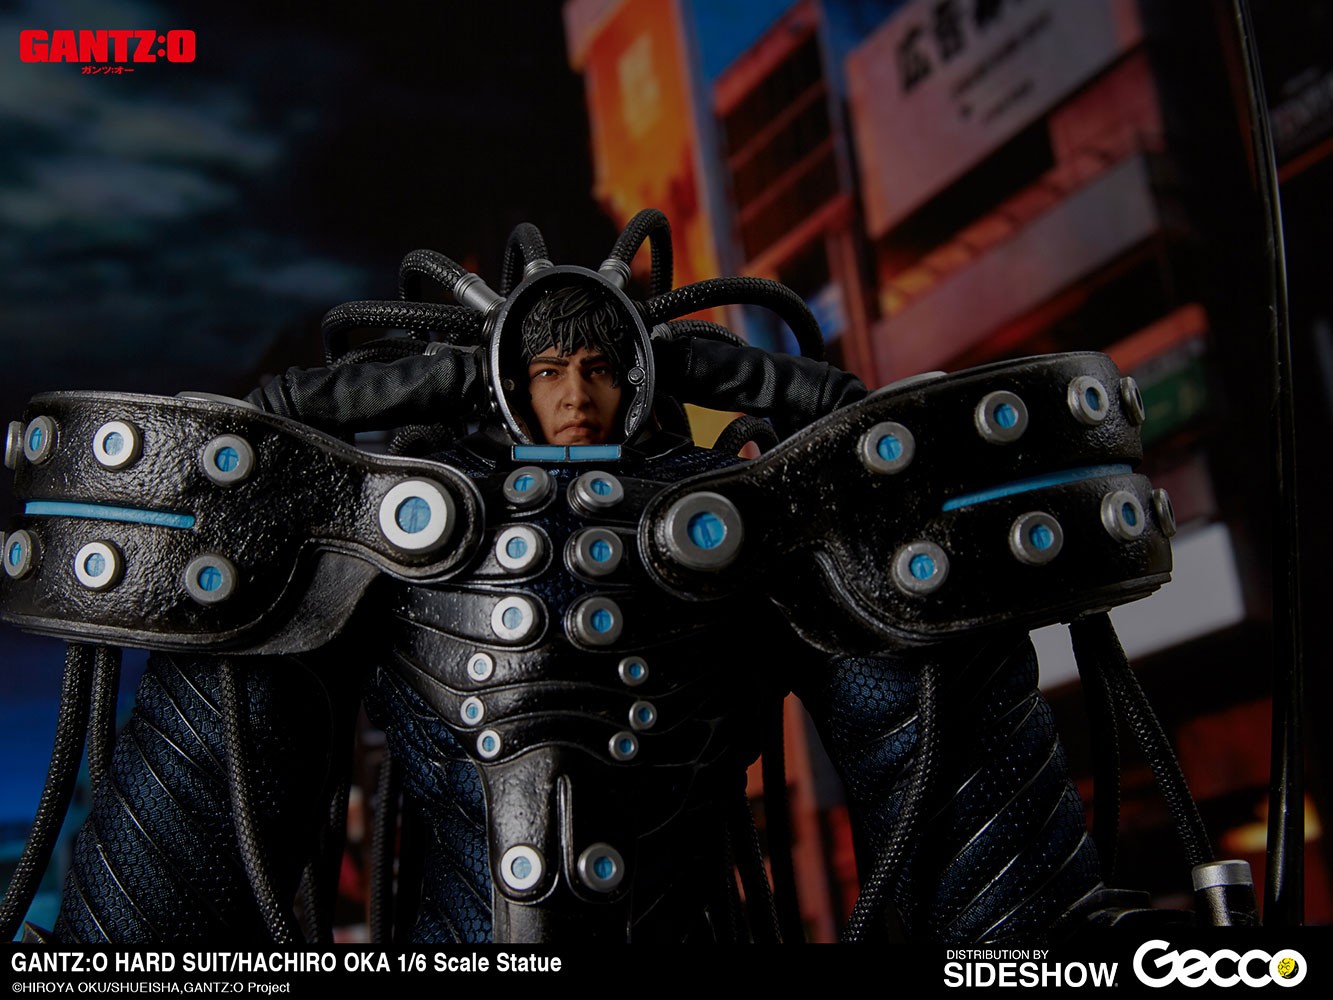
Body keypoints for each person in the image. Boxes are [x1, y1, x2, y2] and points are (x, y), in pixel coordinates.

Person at [2, 213, 1177, 944]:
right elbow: (154, 917)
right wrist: (396, 403)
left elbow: (997, 900)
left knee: (901, 582)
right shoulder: (389, 523)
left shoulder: (737, 507)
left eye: (601, 368)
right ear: (512, 380)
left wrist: (779, 405)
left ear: (637, 375)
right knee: (250, 631)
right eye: (547, 371)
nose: (574, 396)